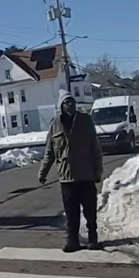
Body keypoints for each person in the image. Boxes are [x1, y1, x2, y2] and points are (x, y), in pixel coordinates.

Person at [38, 90, 104, 252]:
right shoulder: (55, 125)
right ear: (61, 106)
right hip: (66, 178)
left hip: (86, 175)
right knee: (71, 213)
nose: (70, 105)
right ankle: (72, 240)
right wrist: (43, 172)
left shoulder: (85, 121)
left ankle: (93, 237)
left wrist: (98, 171)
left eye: (72, 102)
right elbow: (50, 152)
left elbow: (95, 148)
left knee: (90, 210)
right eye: (66, 102)